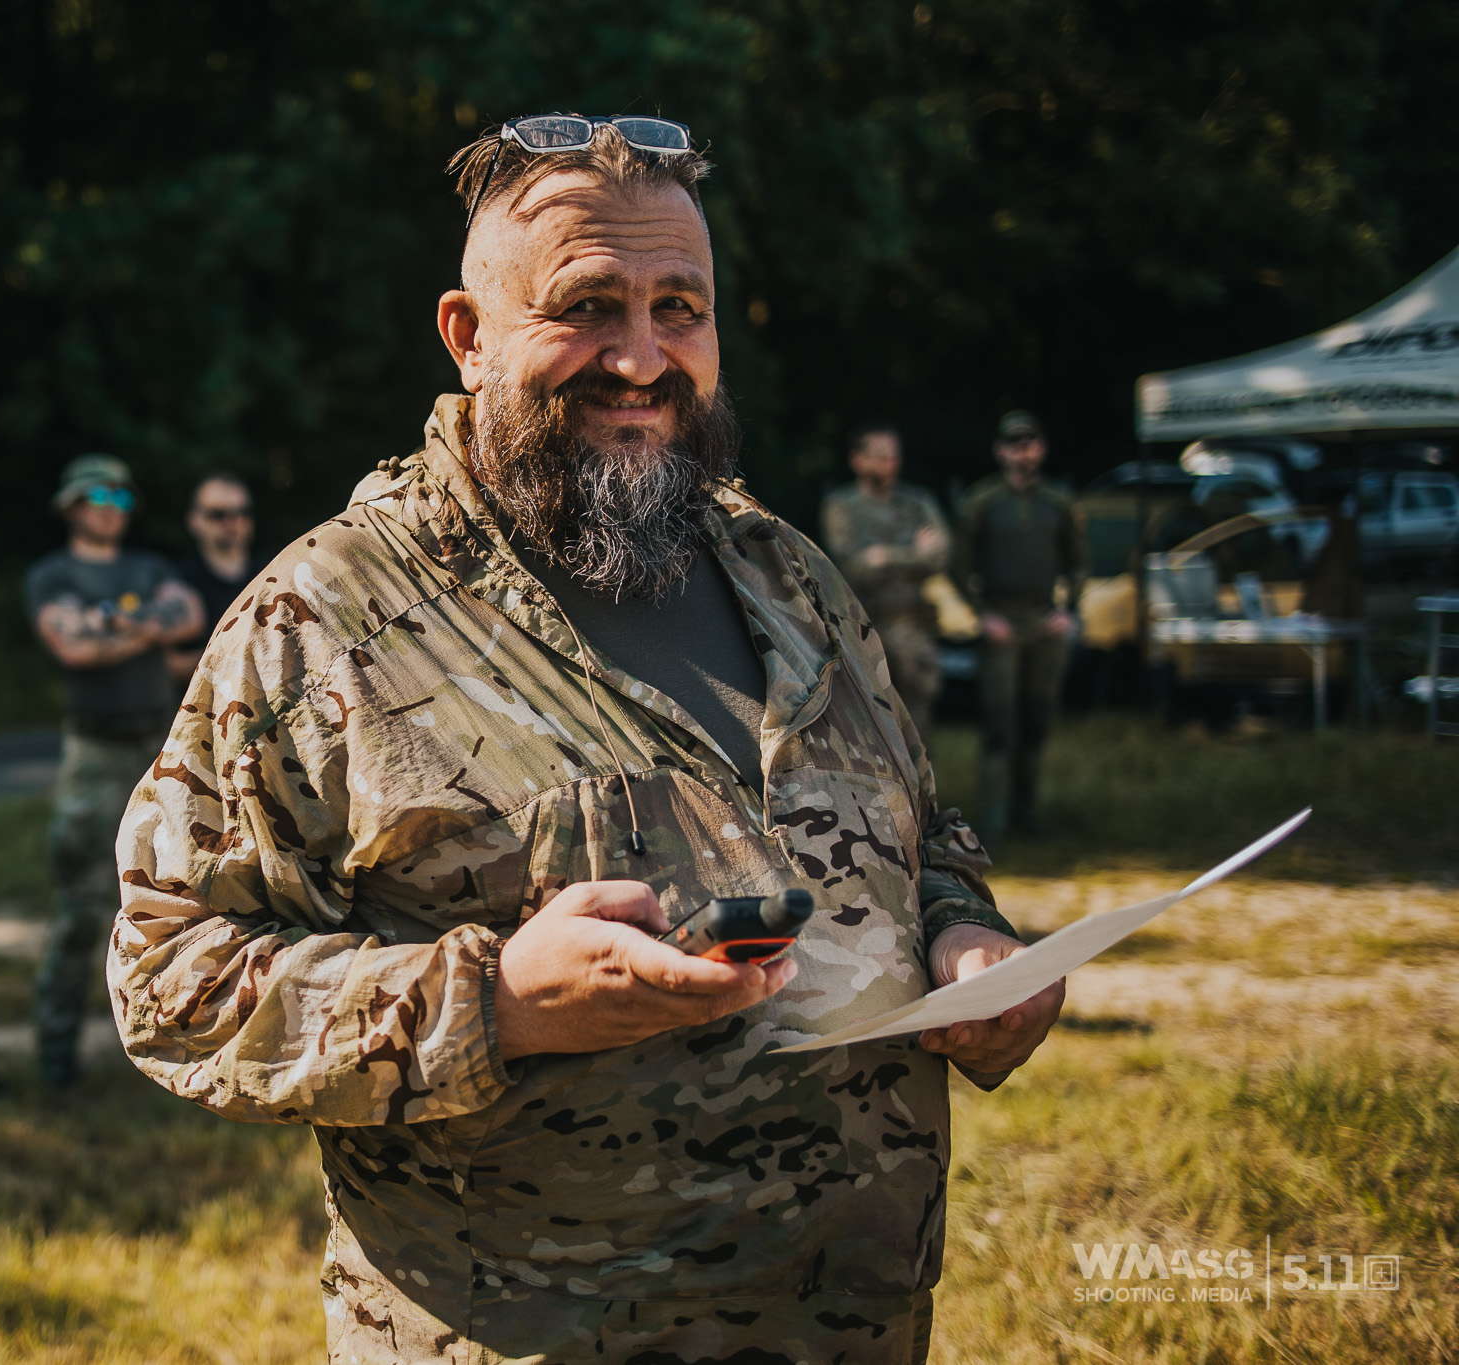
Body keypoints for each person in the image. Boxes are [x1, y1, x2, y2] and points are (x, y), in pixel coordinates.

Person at [111, 118, 1063, 1363]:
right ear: (467, 336)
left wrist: (963, 932)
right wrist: (491, 1002)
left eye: (680, 307)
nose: (639, 356)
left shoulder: (791, 576)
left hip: (852, 1320)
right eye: (588, 306)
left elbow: (918, 830)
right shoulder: (325, 620)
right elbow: (168, 979)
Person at [24, 455, 201, 1087]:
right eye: (99, 495)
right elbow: (71, 645)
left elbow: (187, 617)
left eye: (122, 497)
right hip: (94, 757)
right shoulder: (53, 574)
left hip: (159, 750)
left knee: (178, 898)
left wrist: (109, 622)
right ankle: (56, 1060)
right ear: (71, 504)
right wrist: (145, 627)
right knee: (80, 907)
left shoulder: (150, 567)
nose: (111, 506)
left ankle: (174, 1048)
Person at [953, 411, 1087, 839]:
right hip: (1001, 623)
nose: (1022, 451)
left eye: (1030, 442)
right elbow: (959, 566)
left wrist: (1070, 609)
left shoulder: (1059, 502)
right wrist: (982, 614)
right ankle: (993, 822)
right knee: (999, 723)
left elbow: (1080, 561)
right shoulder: (982, 502)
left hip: (1045, 622)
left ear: (1041, 448)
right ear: (1000, 450)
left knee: (1037, 719)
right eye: (1014, 443)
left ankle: (1027, 815)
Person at [820, 421, 953, 739]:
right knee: (868, 728)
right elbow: (852, 566)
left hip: (913, 627)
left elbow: (941, 556)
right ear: (858, 460)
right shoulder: (842, 506)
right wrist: (913, 553)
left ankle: (921, 790)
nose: (889, 464)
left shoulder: (917, 503)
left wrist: (885, 555)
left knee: (918, 727)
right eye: (880, 456)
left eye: (893, 456)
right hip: (862, 629)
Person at [168, 472, 270, 682]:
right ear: (194, 520)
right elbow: (166, 666)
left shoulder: (273, 572)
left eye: (243, 512)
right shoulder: (177, 581)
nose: (233, 521)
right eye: (218, 514)